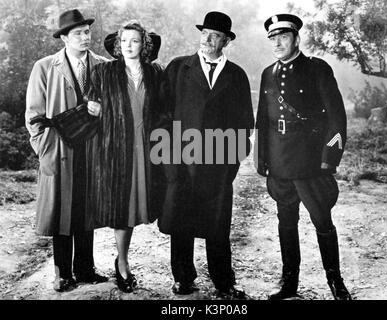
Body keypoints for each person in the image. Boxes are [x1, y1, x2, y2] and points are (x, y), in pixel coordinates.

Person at [255, 13, 352, 300]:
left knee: (322, 220)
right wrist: (262, 158)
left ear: (296, 38)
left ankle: (336, 282)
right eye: (273, 38)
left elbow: (336, 117)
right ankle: (289, 283)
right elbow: (263, 119)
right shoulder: (267, 74)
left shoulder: (317, 69)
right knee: (286, 223)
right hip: (280, 161)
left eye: (283, 36)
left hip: (310, 161)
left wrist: (329, 158)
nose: (277, 43)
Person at [158, 11, 254, 299]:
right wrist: (170, 161)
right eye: (204, 33)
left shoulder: (236, 75)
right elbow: (161, 116)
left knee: (218, 225)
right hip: (181, 161)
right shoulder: (178, 68)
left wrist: (230, 165)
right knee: (181, 223)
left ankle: (224, 282)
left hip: (218, 164)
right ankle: (183, 279)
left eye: (214, 36)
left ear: (226, 41)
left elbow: (244, 124)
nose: (207, 39)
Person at [25, 9, 108, 292]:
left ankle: (86, 269)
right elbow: (34, 115)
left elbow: (117, 107)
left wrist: (103, 110)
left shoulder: (103, 66)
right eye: (77, 34)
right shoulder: (46, 67)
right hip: (58, 150)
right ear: (63, 38)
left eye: (87, 32)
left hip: (92, 147)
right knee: (61, 208)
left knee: (87, 208)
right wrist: (45, 149)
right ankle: (62, 272)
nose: (85, 38)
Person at [86, 21, 164, 293]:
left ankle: (122, 256)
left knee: (137, 205)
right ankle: (123, 263)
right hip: (115, 148)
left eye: (135, 41)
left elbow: (165, 109)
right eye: (125, 41)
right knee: (121, 206)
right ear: (118, 45)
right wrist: (91, 105)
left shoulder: (155, 73)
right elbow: (90, 104)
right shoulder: (103, 72)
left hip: (147, 147)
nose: (129, 45)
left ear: (144, 45)